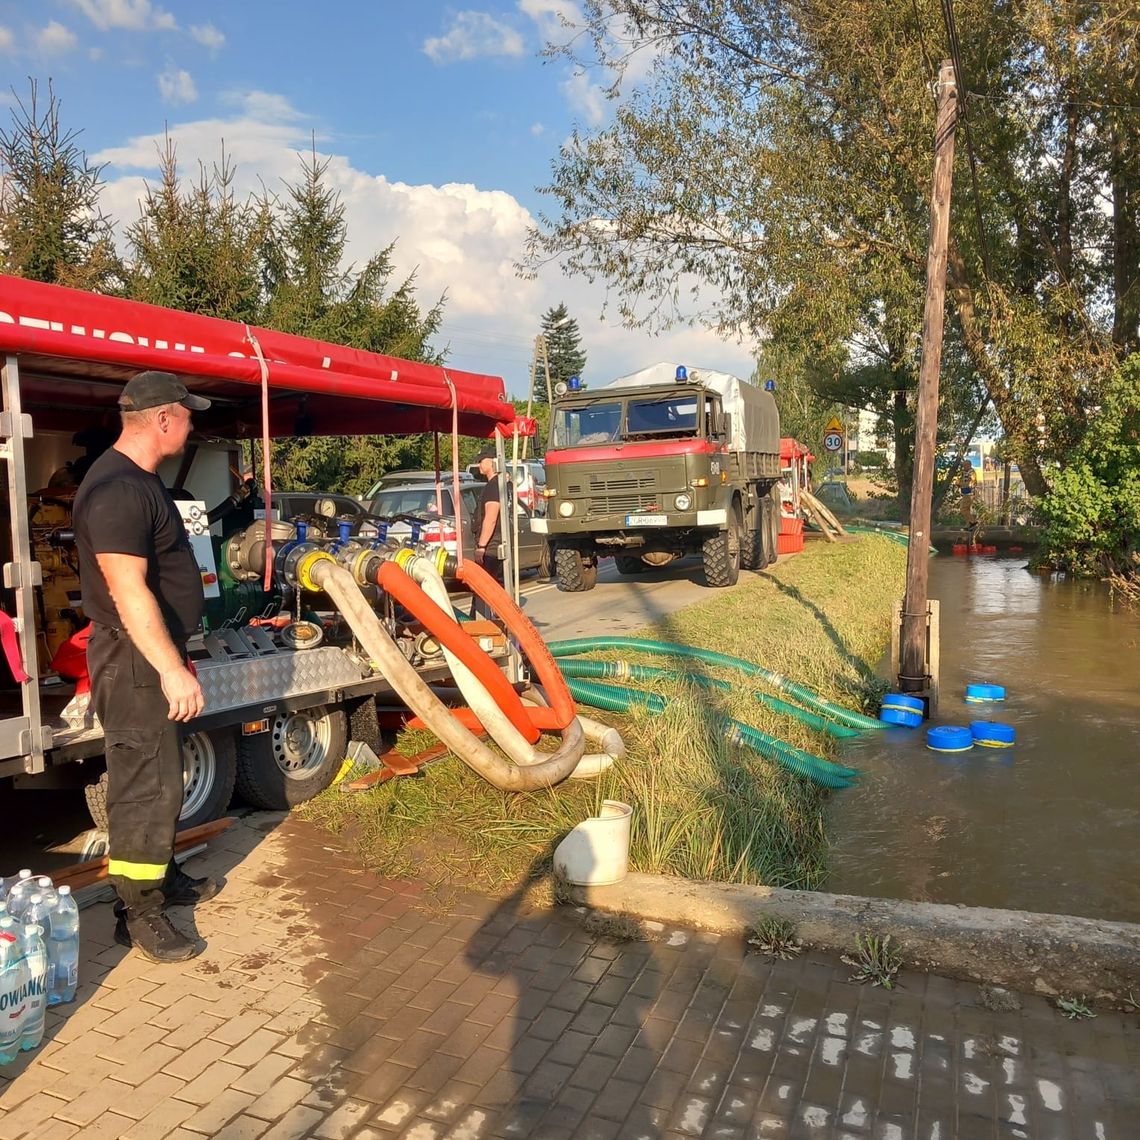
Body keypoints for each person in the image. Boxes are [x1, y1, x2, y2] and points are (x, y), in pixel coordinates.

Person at [73, 371, 218, 964]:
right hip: (134, 661)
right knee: (143, 789)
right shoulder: (117, 491)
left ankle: (164, 873)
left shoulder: (140, 482)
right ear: (163, 419)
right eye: (188, 415)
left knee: (164, 781)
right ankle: (138, 915)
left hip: (150, 655)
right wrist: (170, 669)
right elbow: (128, 590)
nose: (192, 423)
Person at [472, 445, 507, 584]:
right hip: (496, 544)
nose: (478, 464)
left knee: (484, 587)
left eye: (481, 460)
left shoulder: (493, 486)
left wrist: (481, 547)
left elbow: (491, 518)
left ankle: (483, 607)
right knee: (494, 586)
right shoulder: (501, 483)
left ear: (491, 461)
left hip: (491, 547)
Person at [958, 459, 977, 525]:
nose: (964, 467)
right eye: (963, 465)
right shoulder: (963, 472)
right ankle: (969, 525)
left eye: (965, 465)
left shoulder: (971, 472)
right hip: (964, 493)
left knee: (963, 509)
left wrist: (962, 484)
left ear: (969, 465)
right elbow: (961, 480)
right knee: (966, 509)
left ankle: (972, 521)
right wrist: (958, 483)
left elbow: (971, 482)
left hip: (969, 493)